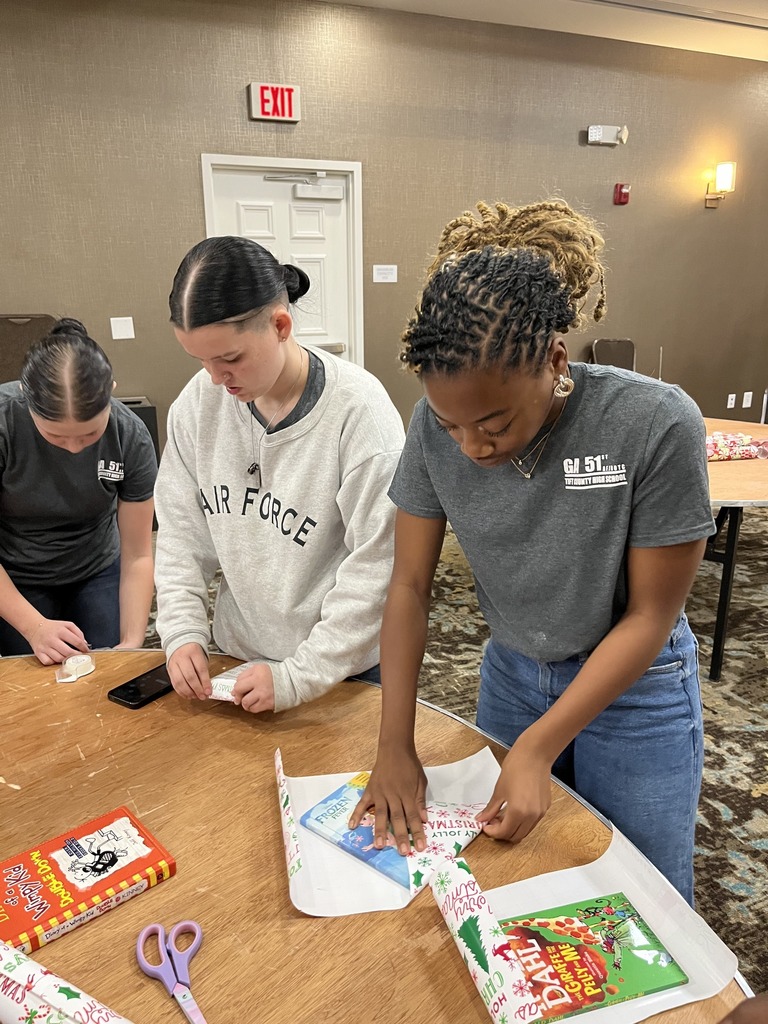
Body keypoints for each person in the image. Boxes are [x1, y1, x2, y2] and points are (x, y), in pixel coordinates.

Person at [350, 200, 714, 906]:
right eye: (451, 426)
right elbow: (409, 587)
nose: (471, 446)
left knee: (645, 895)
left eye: (494, 423)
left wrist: (539, 747)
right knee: (509, 877)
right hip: (515, 675)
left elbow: (649, 615)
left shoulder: (654, 422)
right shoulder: (431, 425)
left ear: (554, 360)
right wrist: (394, 744)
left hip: (637, 688)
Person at [154, 236, 405, 713]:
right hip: (237, 657)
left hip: (339, 671)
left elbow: (378, 569)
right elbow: (181, 535)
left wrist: (299, 676)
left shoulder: (360, 414)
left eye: (230, 359)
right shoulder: (197, 404)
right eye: (201, 361)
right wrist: (183, 630)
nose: (215, 379)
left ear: (281, 325)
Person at [0, 318, 157, 664]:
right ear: (26, 396)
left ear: (110, 391)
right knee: (31, 675)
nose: (74, 448)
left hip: (96, 564)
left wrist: (131, 642)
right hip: (15, 572)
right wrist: (34, 627)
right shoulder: (4, 423)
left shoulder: (130, 435)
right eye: (56, 436)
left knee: (106, 664)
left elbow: (138, 554)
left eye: (89, 435)